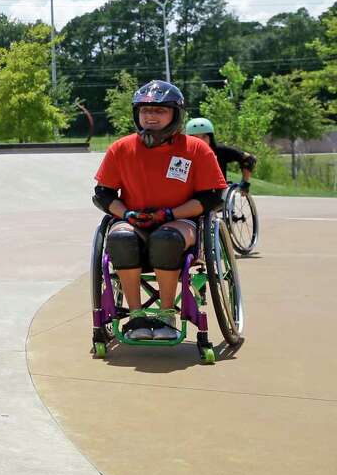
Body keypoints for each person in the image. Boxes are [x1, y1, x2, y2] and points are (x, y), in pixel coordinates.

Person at [92, 80, 228, 341]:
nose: (150, 116)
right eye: (145, 111)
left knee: (165, 238)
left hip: (180, 222)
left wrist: (168, 214)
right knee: (119, 237)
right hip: (134, 221)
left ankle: (167, 315)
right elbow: (104, 194)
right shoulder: (121, 148)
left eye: (159, 110)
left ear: (175, 114)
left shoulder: (196, 149)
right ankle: (136, 316)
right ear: (137, 114)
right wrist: (127, 215)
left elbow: (211, 197)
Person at [184, 117, 256, 190]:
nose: (200, 141)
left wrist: (245, 182)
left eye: (204, 136)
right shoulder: (183, 153)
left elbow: (249, 159)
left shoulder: (220, 151)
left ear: (210, 138)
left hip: (215, 191)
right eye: (195, 137)